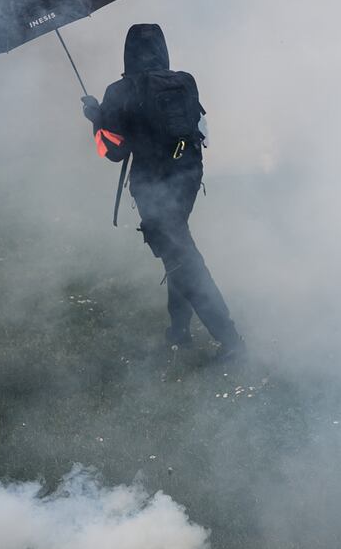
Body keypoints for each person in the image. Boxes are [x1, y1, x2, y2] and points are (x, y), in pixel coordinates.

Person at [81, 23, 245, 360]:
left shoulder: (119, 91)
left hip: (153, 186)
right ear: (162, 49)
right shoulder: (185, 81)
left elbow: (113, 151)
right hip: (188, 178)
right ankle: (179, 332)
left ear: (128, 53)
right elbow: (201, 130)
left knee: (183, 261)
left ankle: (232, 342)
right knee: (177, 251)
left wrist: (96, 116)